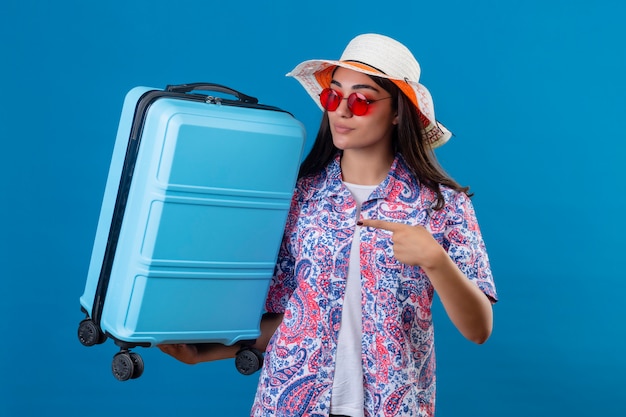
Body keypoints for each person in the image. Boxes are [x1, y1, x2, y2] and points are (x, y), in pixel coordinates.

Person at [159, 33, 498, 417]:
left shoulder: (443, 206)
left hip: (394, 404)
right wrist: (206, 352)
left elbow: (479, 329)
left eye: (361, 99)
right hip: (288, 402)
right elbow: (294, 318)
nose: (342, 111)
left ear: (399, 110)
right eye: (333, 96)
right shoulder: (297, 196)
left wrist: (436, 261)